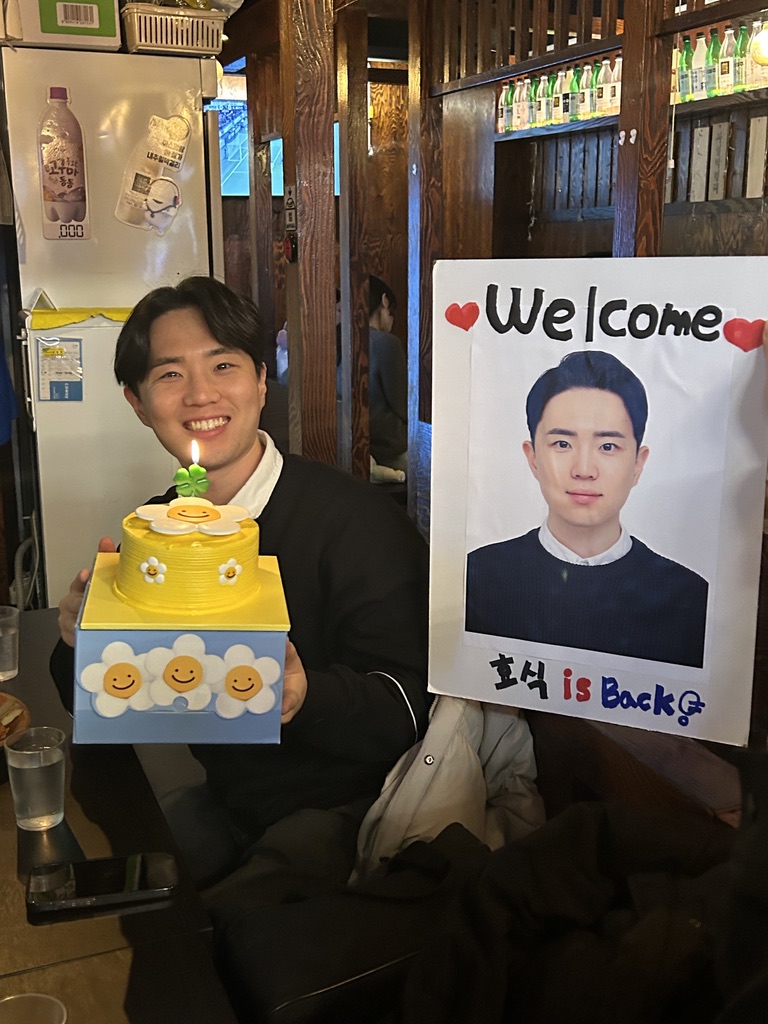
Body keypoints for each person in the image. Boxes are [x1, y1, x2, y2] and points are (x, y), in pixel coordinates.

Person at [49, 276, 430, 905]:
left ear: (260, 380)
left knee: (199, 939)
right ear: (137, 403)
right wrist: (77, 639)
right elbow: (100, 701)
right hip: (228, 799)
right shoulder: (157, 531)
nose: (201, 393)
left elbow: (409, 710)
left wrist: (303, 696)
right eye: (170, 374)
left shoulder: (355, 521)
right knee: (89, 890)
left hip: (354, 812)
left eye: (223, 365)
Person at [465, 350, 709, 668]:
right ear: (533, 457)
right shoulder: (477, 576)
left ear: (638, 463)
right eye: (562, 444)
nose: (583, 470)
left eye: (608, 446)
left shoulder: (691, 598)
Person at [368, 275, 408, 472]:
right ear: (384, 301)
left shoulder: (339, 335)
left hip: (360, 446)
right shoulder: (386, 343)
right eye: (392, 312)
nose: (392, 320)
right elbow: (404, 405)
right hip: (388, 448)